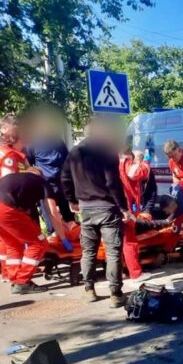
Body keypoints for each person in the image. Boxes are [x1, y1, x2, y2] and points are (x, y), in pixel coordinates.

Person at [61, 118, 128, 307]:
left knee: (88, 251)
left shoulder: (74, 152)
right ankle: (115, 294)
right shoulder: (107, 151)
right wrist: (123, 207)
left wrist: (72, 200)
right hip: (107, 207)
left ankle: (89, 290)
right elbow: (112, 183)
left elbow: (64, 177)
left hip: (85, 208)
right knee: (113, 252)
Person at [0, 168, 69, 294]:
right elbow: (52, 213)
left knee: (13, 243)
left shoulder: (16, 178)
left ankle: (14, 279)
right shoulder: (42, 183)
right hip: (3, 207)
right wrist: (64, 240)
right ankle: (23, 281)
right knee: (38, 243)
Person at [0, 115, 30, 281]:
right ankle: (19, 277)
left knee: (5, 239)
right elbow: (9, 181)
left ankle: (7, 273)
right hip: (2, 200)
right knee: (20, 241)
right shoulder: (10, 156)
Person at [119, 147, 153, 280]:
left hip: (116, 207)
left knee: (117, 242)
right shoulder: (126, 163)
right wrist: (144, 162)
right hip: (126, 208)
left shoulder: (112, 162)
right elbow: (135, 174)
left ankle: (120, 272)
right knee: (129, 241)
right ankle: (135, 273)